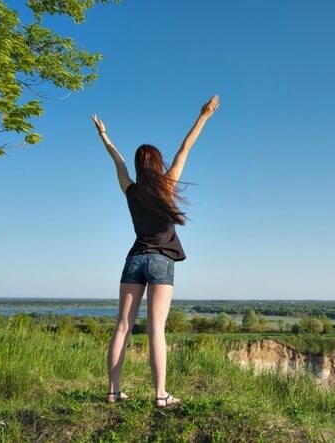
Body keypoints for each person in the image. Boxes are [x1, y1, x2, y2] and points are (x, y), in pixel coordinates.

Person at [90, 95, 220, 408]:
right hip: (161, 260)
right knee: (156, 329)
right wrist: (203, 116)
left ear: (139, 166)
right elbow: (185, 148)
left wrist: (104, 135)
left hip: (134, 259)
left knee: (122, 326)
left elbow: (117, 160)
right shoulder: (167, 184)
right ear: (158, 164)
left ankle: (113, 391)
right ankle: (161, 395)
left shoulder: (130, 190)